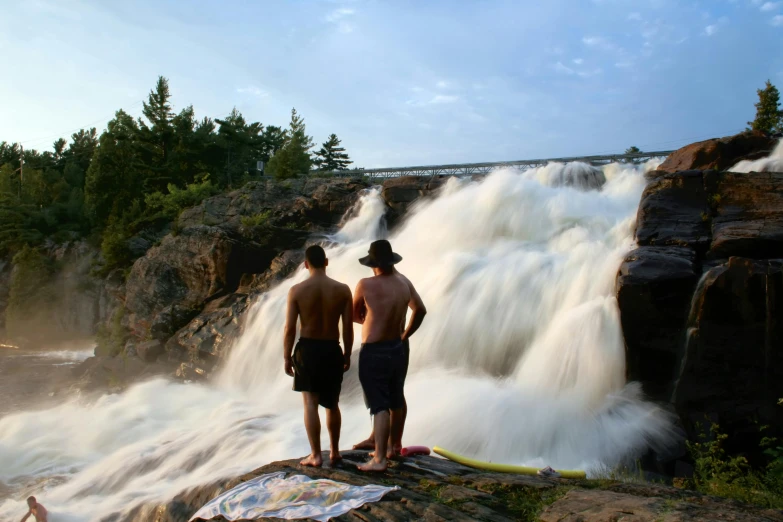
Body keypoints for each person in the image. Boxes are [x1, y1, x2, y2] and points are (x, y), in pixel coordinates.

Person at [353, 240, 426, 472]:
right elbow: (420, 310)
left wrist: (368, 318)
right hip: (398, 346)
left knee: (379, 404)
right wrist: (405, 334)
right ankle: (394, 446)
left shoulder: (365, 284)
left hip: (374, 349)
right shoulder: (404, 282)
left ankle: (379, 459)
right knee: (396, 397)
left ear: (373, 264)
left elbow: (353, 314)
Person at [284, 245, 353, 468]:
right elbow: (348, 328)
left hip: (308, 350)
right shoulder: (342, 290)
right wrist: (347, 354)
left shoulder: (296, 290)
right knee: (332, 404)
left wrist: (286, 356)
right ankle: (334, 452)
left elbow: (289, 329)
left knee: (310, 404)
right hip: (332, 348)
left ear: (305, 264)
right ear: (326, 262)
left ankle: (315, 455)